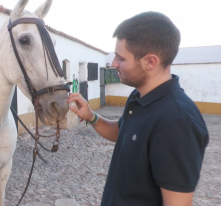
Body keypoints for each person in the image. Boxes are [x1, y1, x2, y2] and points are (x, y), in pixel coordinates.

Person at [68, 11, 209, 205]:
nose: (113, 63)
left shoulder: (177, 121)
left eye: (121, 58)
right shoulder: (139, 96)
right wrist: (91, 116)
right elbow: (122, 132)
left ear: (150, 62)